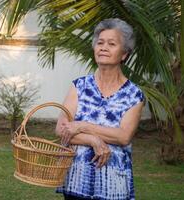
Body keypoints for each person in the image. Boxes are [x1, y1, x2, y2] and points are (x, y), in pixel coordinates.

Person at [56, 18, 145, 200]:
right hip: (76, 178)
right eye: (100, 42)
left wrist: (82, 126)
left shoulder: (134, 95)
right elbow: (61, 129)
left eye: (112, 44)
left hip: (113, 182)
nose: (103, 47)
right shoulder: (79, 86)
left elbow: (123, 136)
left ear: (124, 54)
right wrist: (93, 140)